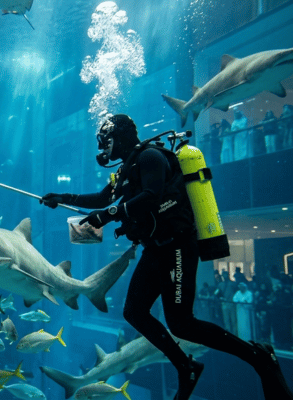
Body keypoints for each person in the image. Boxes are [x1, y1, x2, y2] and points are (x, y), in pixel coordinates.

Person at [40, 114, 293, 400]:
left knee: (182, 323)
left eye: (105, 141)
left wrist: (108, 216)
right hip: (157, 248)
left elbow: (150, 195)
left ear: (117, 137)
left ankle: (258, 356)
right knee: (133, 311)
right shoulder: (127, 169)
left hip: (178, 245)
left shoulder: (150, 157)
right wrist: (62, 197)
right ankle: (186, 366)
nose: (103, 148)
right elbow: (102, 199)